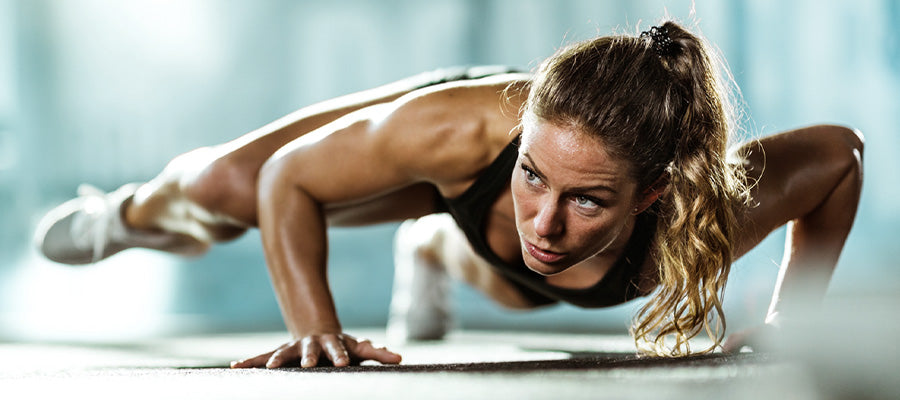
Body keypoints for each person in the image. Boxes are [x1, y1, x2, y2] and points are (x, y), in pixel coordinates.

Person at [34, 21, 863, 368]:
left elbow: (840, 156)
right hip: (453, 168)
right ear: (521, 139)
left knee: (522, 278)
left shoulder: (704, 205)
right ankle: (130, 214)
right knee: (233, 186)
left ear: (653, 193)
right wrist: (316, 331)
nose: (546, 218)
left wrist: (797, 314)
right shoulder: (461, 131)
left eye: (588, 201)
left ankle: (433, 247)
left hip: (494, 243)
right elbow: (292, 178)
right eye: (533, 175)